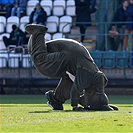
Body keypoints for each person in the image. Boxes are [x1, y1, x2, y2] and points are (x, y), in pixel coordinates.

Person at [25, 24, 118, 111]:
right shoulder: (88, 76)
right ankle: (38, 32)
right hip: (67, 53)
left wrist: (103, 106)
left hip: (70, 58)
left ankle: (56, 100)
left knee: (69, 82)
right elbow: (75, 91)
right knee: (41, 62)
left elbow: (83, 97)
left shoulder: (94, 80)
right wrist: (75, 106)